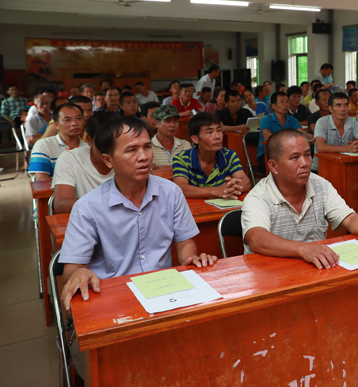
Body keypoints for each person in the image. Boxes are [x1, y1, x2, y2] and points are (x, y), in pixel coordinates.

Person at [58, 115, 215, 377]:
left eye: (146, 147)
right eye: (131, 150)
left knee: (197, 355)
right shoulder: (88, 208)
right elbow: (71, 272)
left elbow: (185, 244)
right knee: (119, 371)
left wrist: (192, 259)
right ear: (108, 160)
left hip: (163, 297)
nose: (143, 157)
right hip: (112, 306)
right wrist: (80, 273)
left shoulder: (171, 192)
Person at [241, 129, 358, 268]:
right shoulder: (259, 197)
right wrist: (303, 249)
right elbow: (256, 238)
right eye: (295, 158)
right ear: (273, 166)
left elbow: (349, 218)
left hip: (315, 266)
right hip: (271, 272)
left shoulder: (320, 185)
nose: (304, 163)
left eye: (307, 155)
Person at [172, 112, 251, 199]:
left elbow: (245, 181)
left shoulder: (228, 155)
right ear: (195, 139)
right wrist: (215, 191)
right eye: (209, 132)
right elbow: (180, 188)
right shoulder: (182, 158)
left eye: (219, 130)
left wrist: (229, 189)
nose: (217, 136)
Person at [52, 111, 117, 214]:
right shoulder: (70, 159)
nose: (110, 148)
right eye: (103, 141)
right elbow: (61, 205)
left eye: (116, 142)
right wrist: (110, 204)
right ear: (89, 140)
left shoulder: (130, 158)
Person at [29, 103, 86, 181]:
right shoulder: (43, 145)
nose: (74, 123)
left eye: (78, 118)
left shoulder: (89, 148)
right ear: (56, 125)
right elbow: (41, 179)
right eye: (67, 120)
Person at [257, 91, 303, 171]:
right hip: (268, 155)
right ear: (273, 106)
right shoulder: (266, 119)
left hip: (289, 153)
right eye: (282, 102)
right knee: (288, 166)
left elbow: (301, 133)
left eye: (287, 102)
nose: (285, 105)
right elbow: (267, 136)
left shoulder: (292, 119)